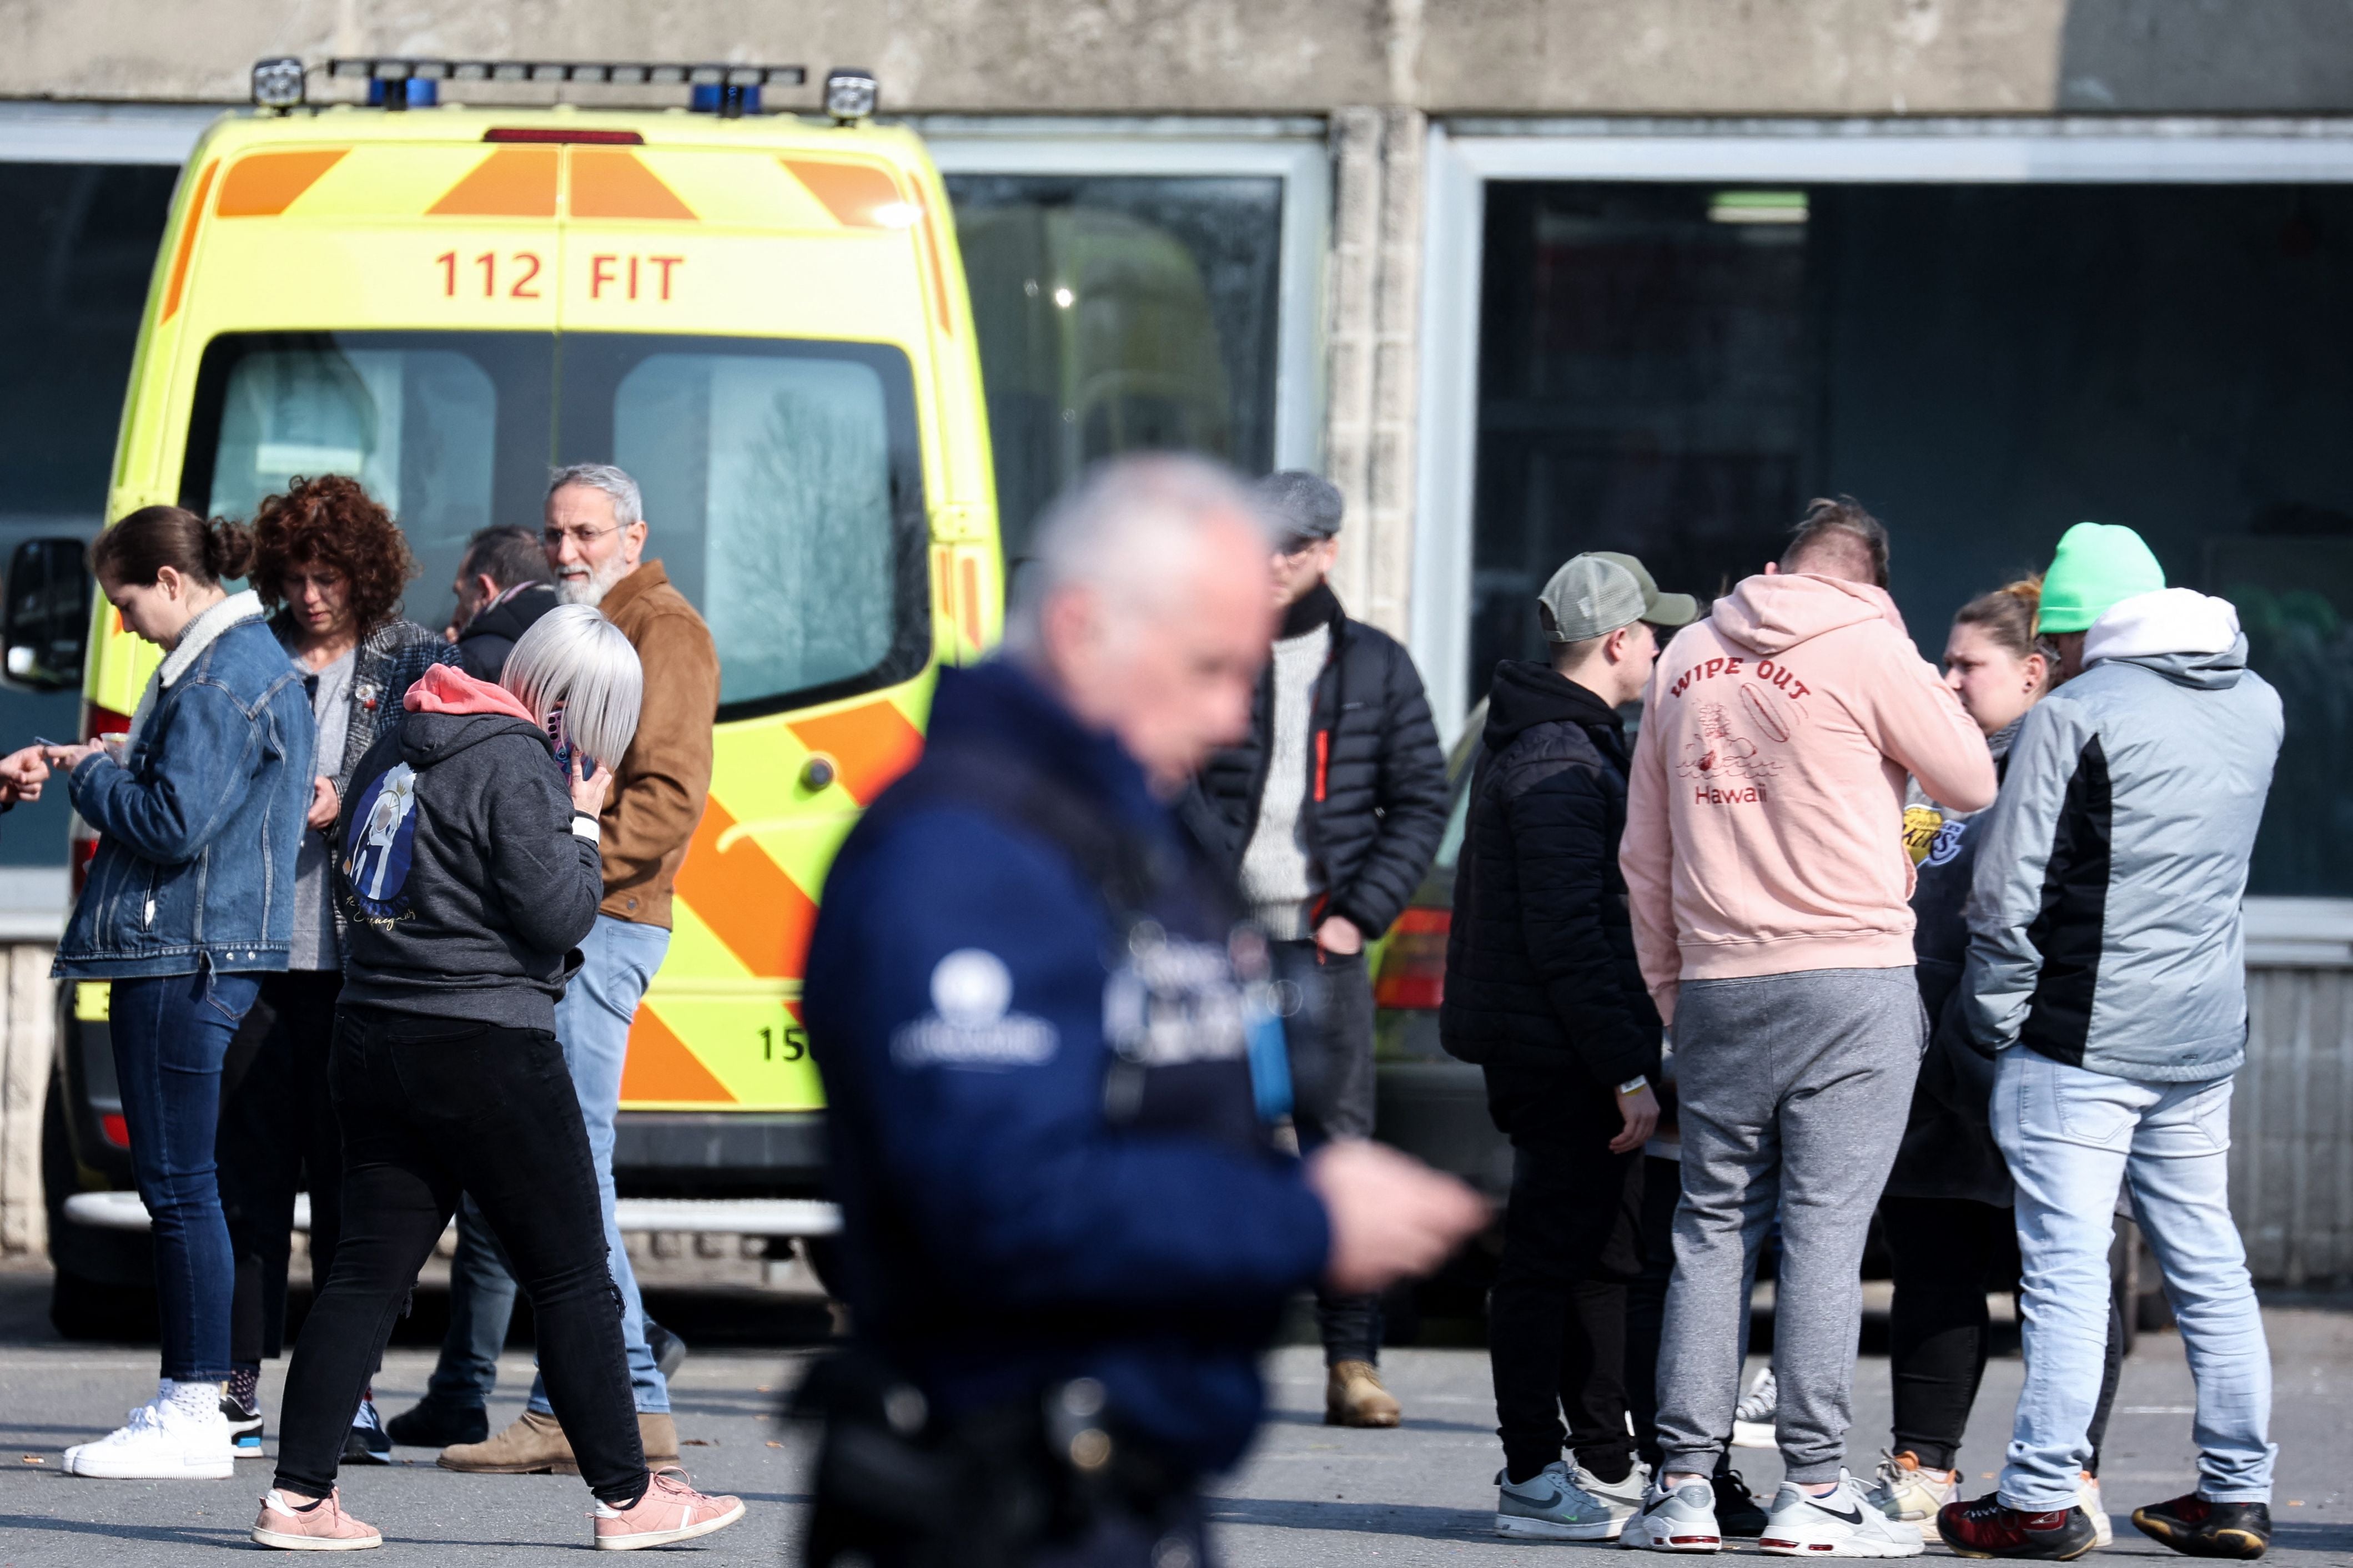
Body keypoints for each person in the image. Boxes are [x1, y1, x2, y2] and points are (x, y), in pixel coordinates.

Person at [797, 453, 1487, 1567]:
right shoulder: (961, 854)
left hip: (1128, 1485)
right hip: (996, 1497)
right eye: (1208, 668)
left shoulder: (1129, 827)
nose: (1228, 716)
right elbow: (998, 1198)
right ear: (1082, 629)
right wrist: (1303, 1217)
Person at [250, 607, 744, 1550]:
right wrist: (588, 821)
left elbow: (362, 879)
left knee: (364, 1275)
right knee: (571, 1275)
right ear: (568, 706)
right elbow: (558, 915)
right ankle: (629, 1496)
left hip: (373, 1031)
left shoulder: (399, 740)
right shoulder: (515, 761)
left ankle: (299, 1496)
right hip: (486, 1046)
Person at [1619, 498, 1996, 1555]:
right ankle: (1814, 1489)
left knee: (1707, 1231)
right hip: (1850, 975)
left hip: (1719, 982)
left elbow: (1642, 854)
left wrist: (1667, 992)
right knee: (1826, 1237)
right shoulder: (1873, 645)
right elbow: (1968, 775)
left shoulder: (1684, 653)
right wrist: (1905, 663)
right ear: (1871, 581)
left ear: (1774, 566)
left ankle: (1682, 1485)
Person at [1937, 525, 2284, 1562]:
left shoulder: (2076, 714)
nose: (2052, 657)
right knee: (2208, 1265)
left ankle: (2040, 1495)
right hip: (2200, 1033)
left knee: (2065, 1271)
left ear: (2081, 631)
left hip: (2075, 1040)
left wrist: (1983, 1029)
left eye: (2056, 637)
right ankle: (2236, 1494)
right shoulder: (2257, 704)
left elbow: (2001, 902)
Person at [433, 463, 717, 1475]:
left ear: (635, 537)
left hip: (605, 918)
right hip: (578, 912)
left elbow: (668, 797)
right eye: (555, 536)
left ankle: (599, 1398)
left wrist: (566, 880)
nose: (565, 554)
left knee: (571, 1163)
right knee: (564, 1163)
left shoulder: (664, 628)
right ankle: (618, 1387)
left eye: (587, 535)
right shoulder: (592, 622)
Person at [49, 507, 315, 1481]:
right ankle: (195, 1399)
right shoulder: (251, 663)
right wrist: (104, 760)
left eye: (124, 603)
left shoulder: (215, 675)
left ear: (169, 580)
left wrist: (90, 786)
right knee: (189, 1185)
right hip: (210, 949)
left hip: (179, 954)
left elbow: (171, 824)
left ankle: (193, 1406)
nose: (121, 625)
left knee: (178, 1187)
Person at [1439, 551, 1695, 1539]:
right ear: (1620, 641)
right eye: (1654, 631)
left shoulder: (1569, 739)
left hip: (1573, 1047)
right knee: (1549, 1259)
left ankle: (1602, 1458)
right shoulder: (1556, 758)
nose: (1664, 646)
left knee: (1606, 1252)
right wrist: (1626, 1070)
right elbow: (1567, 936)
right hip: (1558, 1056)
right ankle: (1531, 1476)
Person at [1867, 577, 2124, 1546]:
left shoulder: (2060, 764)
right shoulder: (1942, 764)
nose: (1946, 677)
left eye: (1966, 663)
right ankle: (1922, 1465)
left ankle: (2070, 1473)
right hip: (1928, 1055)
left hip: (2035, 1053)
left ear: (2031, 671)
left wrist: (2001, 1032)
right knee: (1932, 1260)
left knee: (2057, 1272)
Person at [1191, 470, 1449, 1427]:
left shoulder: (1375, 665)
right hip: (1213, 949)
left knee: (1338, 1155)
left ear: (1325, 553)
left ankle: (1352, 1366)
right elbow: (1167, 772)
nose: (1266, 563)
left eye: (1289, 548)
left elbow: (1420, 799)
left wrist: (1357, 916)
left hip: (1321, 952)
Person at [212, 474, 457, 1464]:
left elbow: (440, 790)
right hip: (252, 952)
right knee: (245, 1182)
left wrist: (346, 803)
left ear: (367, 573)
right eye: (297, 577)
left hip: (362, 960)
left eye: (330, 576)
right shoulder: (247, 653)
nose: (312, 595)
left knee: (351, 1188)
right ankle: (231, 1387)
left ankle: (349, 1393)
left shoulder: (413, 659)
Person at [448, 523, 560, 679]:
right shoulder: (583, 643)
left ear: (484, 591)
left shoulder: (474, 659)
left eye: (461, 597)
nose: (454, 620)